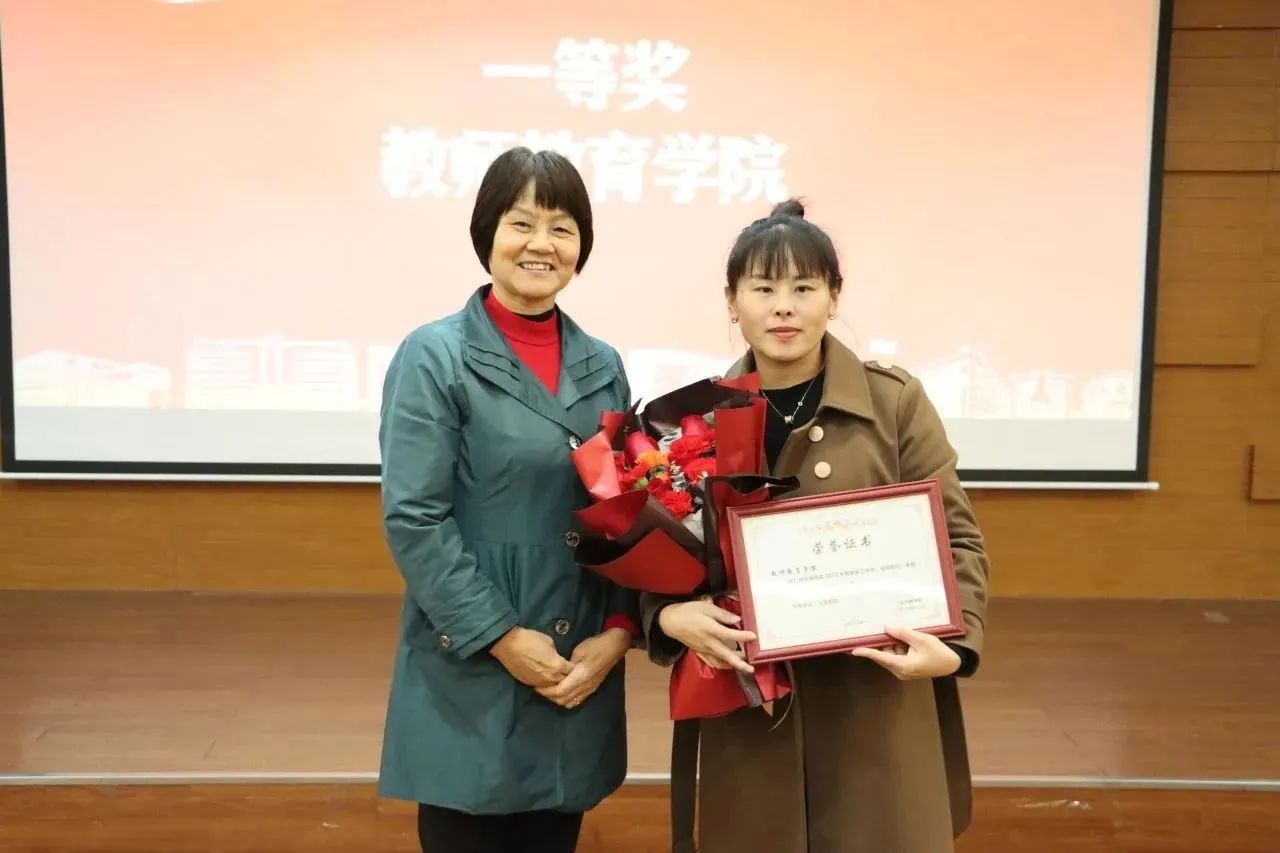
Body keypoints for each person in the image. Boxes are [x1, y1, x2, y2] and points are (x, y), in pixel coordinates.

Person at [645, 199, 990, 853]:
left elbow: (958, 538)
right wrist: (666, 616)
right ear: (732, 301)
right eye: (763, 288)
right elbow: (660, 555)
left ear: (834, 296)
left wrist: (957, 644)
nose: (784, 307)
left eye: (804, 288)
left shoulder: (894, 401)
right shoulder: (691, 421)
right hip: (750, 713)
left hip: (876, 705)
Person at [378, 147, 638, 853]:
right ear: (487, 233)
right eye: (522, 223)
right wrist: (500, 636)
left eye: (562, 228)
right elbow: (414, 518)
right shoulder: (434, 355)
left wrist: (619, 629)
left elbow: (626, 509)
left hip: (575, 659)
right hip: (473, 658)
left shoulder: (604, 363)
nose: (541, 244)